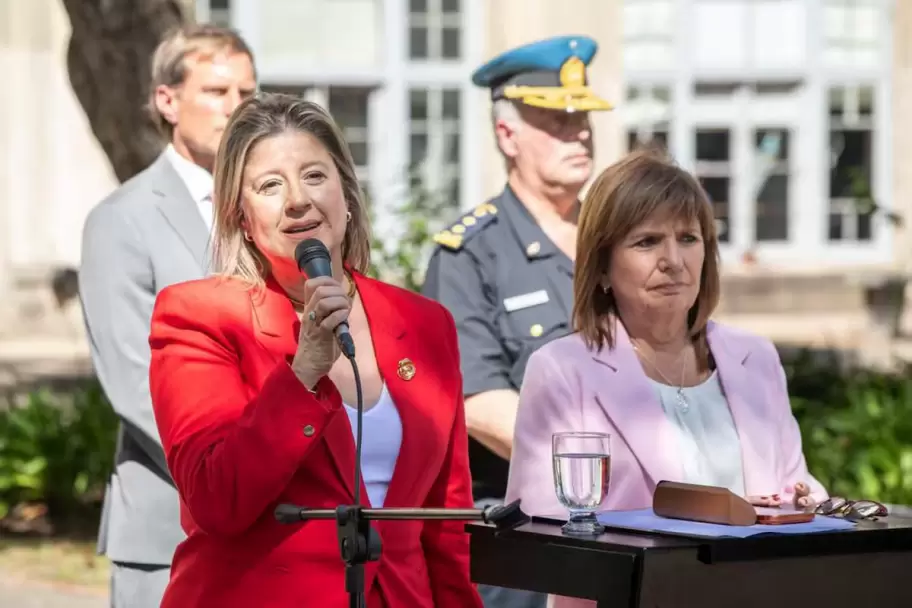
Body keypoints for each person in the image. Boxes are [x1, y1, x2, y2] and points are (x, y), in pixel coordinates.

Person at [146, 92, 482, 608]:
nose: (297, 199)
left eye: (314, 176)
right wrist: (302, 374)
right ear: (242, 217)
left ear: (347, 195)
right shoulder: (198, 317)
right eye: (270, 185)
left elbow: (446, 521)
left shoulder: (424, 323)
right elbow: (216, 501)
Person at [506, 150, 827, 608]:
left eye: (688, 238)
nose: (673, 260)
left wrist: (801, 503)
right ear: (601, 266)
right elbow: (538, 531)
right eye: (647, 241)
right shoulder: (561, 369)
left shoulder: (754, 358)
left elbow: (798, 492)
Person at [421, 35, 613, 608]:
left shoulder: (618, 241)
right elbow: (479, 402)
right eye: (556, 119)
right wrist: (606, 468)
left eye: (583, 116)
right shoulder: (469, 254)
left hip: (629, 525)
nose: (578, 130)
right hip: (524, 535)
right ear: (507, 134)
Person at [78, 24, 257, 607]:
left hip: (276, 518)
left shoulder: (270, 210)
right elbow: (134, 382)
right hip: (169, 526)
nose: (236, 108)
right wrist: (242, 470)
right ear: (167, 100)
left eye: (247, 94)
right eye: (217, 91)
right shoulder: (122, 219)